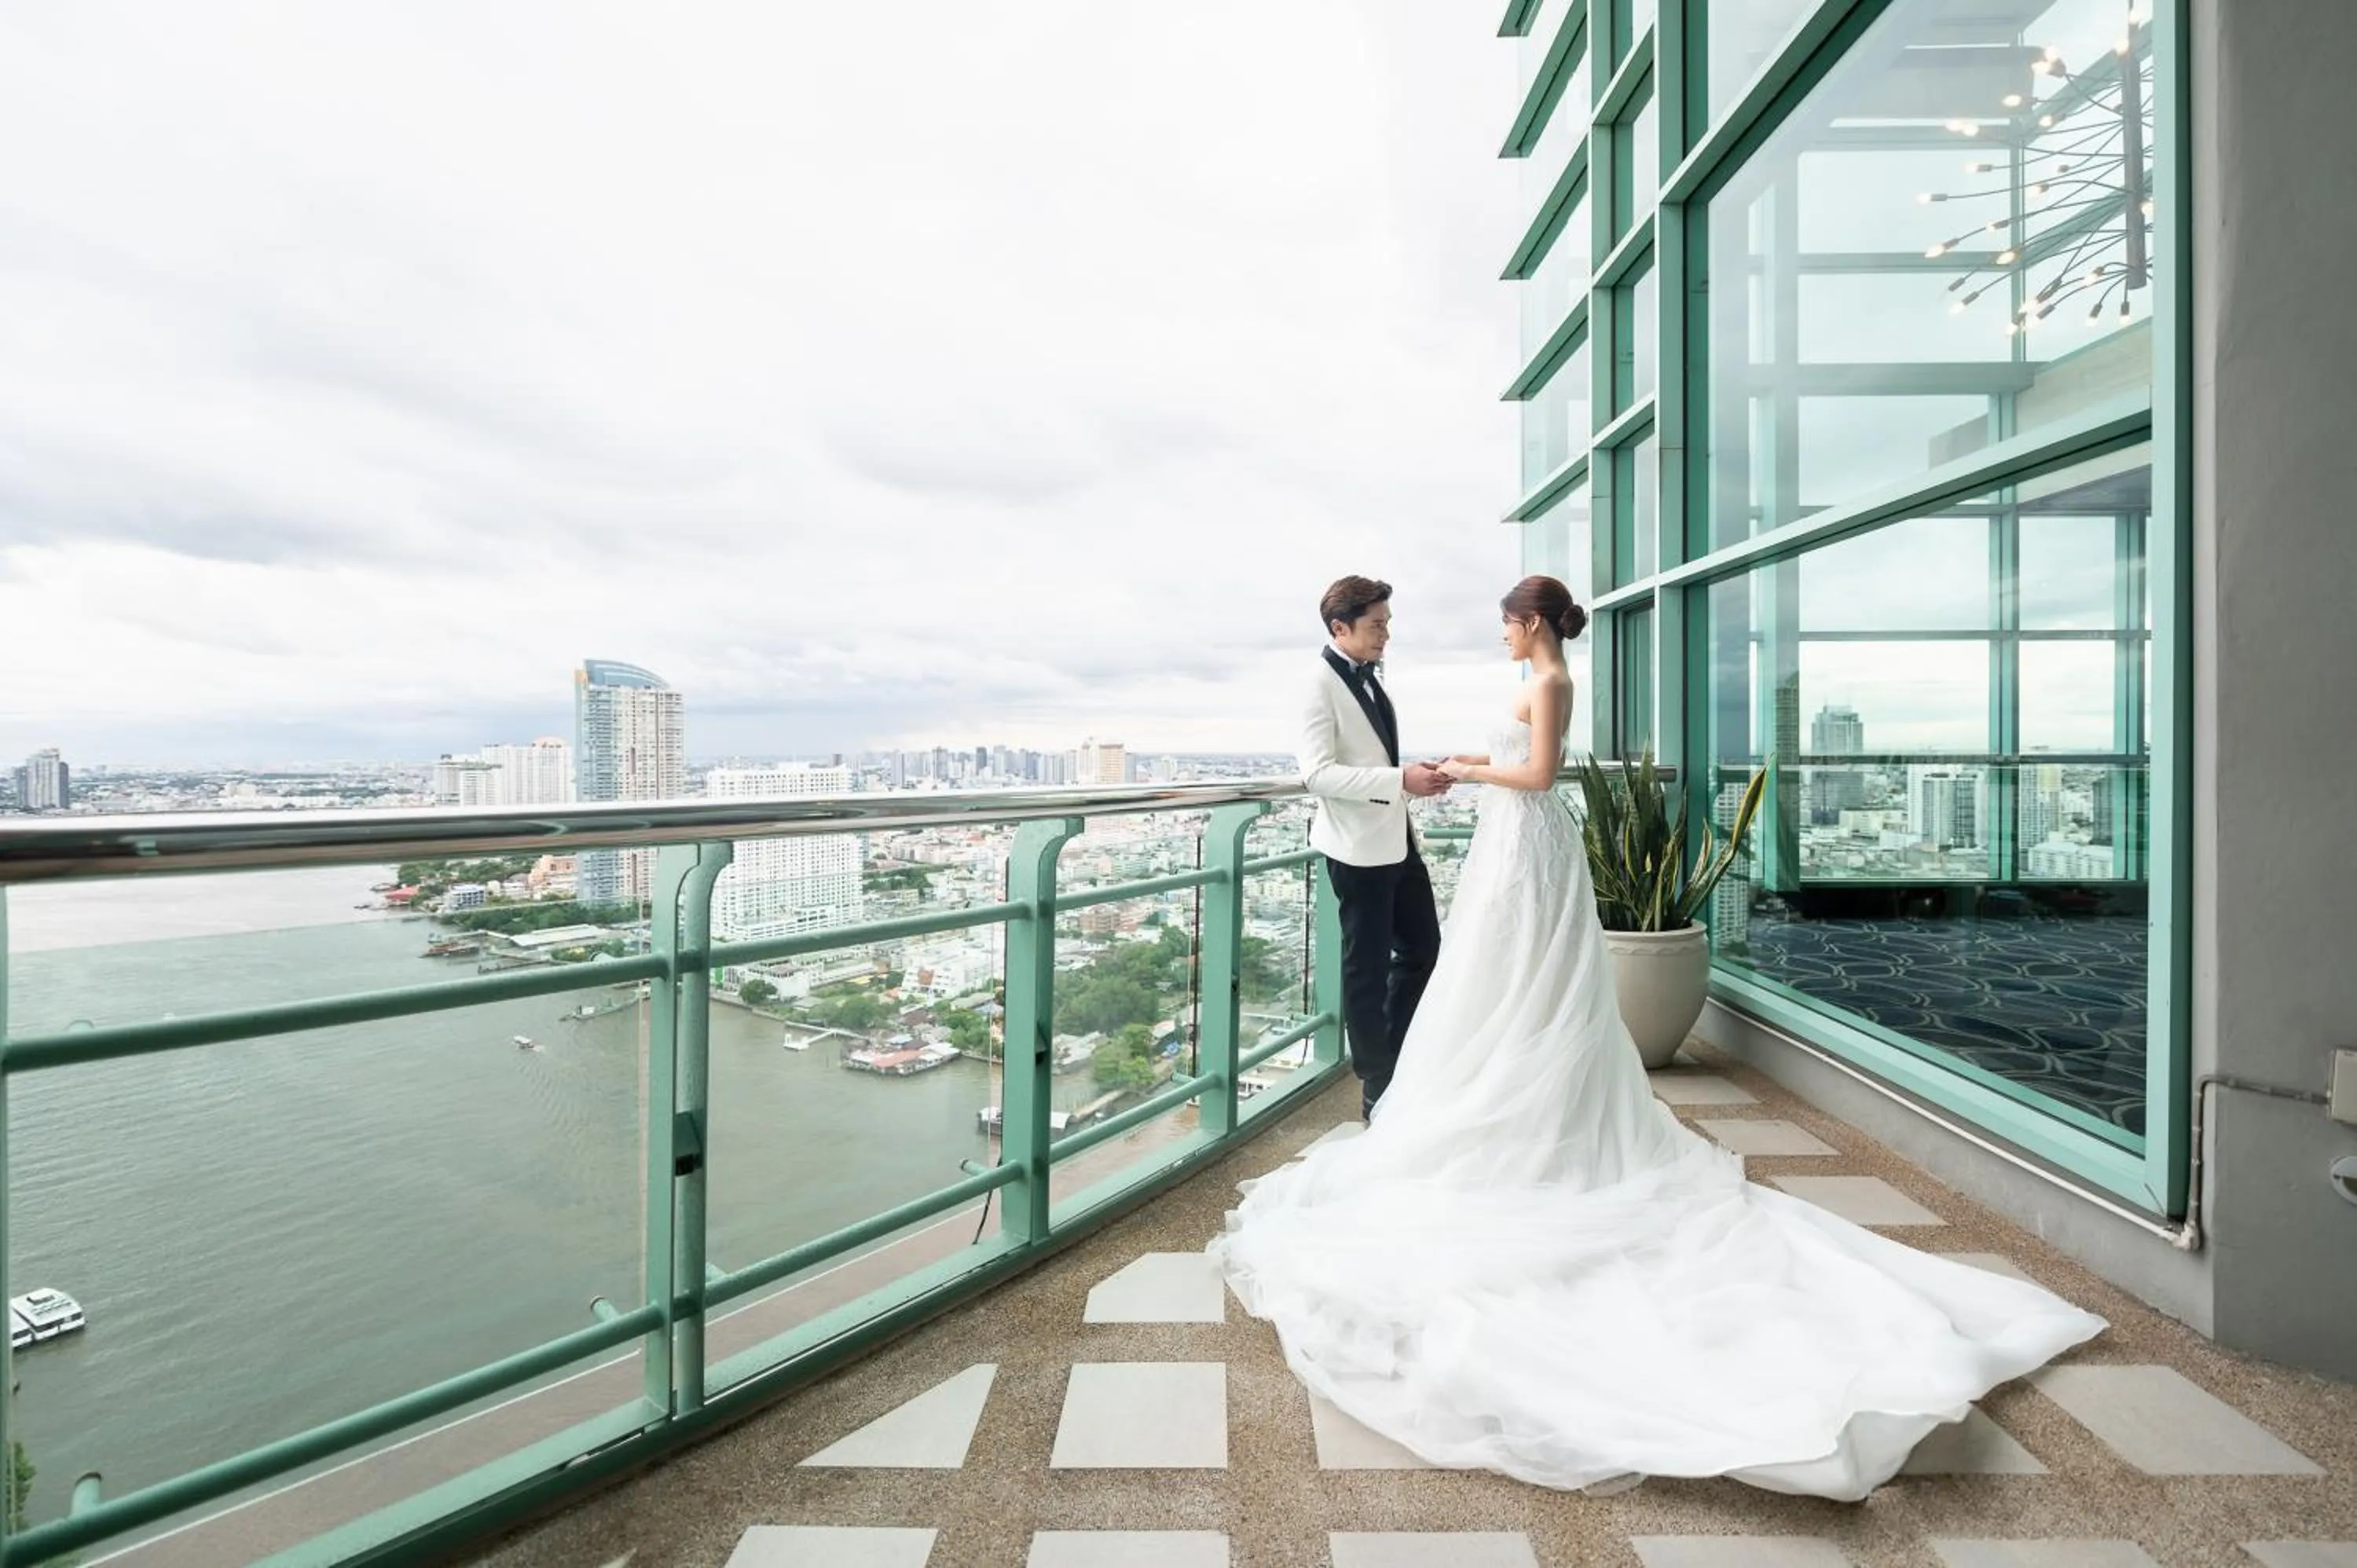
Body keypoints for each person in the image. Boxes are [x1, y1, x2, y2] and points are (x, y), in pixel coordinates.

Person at [1211, 573, 2106, 1501]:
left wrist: (1468, 772)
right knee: (1495, 981)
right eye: (1383, 620)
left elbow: (1540, 774)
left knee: (1511, 978)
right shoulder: (1345, 684)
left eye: (1507, 625)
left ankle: (1458, 1105)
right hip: (1465, 841)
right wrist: (1455, 766)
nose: (1497, 638)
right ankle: (1426, 1093)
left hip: (1521, 833)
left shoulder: (1546, 682)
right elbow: (1368, 766)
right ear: (1342, 626)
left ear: (1529, 625)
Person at [1295, 575, 1451, 1122]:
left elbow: (1372, 756)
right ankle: (1376, 1084)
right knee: (1364, 967)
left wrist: (1408, 776)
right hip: (1358, 846)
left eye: (1387, 622)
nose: (1387, 633)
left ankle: (1399, 1059)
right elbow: (1316, 774)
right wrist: (1398, 781)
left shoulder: (1368, 677)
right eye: (1377, 624)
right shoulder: (1318, 682)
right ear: (1341, 627)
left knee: (1424, 950)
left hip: (1396, 839)